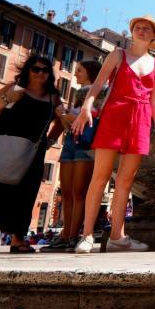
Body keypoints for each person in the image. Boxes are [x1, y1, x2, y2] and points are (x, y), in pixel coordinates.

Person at [72, 16, 155, 254]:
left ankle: (117, 237)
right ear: (132, 32)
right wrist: (86, 107)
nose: (142, 30)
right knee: (99, 177)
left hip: (141, 120)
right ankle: (87, 235)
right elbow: (98, 85)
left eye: (147, 29)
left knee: (125, 182)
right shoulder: (117, 55)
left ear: (154, 35)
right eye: (138, 27)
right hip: (115, 115)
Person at [0, 54, 64, 253]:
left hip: (33, 152)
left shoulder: (53, 97)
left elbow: (62, 121)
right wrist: (6, 98)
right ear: (27, 70)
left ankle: (18, 239)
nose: (40, 73)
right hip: (4, 144)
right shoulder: (14, 88)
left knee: (26, 194)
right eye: (36, 69)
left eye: (45, 70)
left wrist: (50, 141)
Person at [44, 60, 103, 252]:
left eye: (79, 70)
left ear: (90, 73)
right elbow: (68, 123)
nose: (75, 73)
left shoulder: (96, 94)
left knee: (79, 192)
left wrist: (64, 115)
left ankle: (73, 235)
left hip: (85, 143)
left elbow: (87, 120)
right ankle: (65, 234)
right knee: (66, 192)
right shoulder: (75, 95)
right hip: (70, 142)